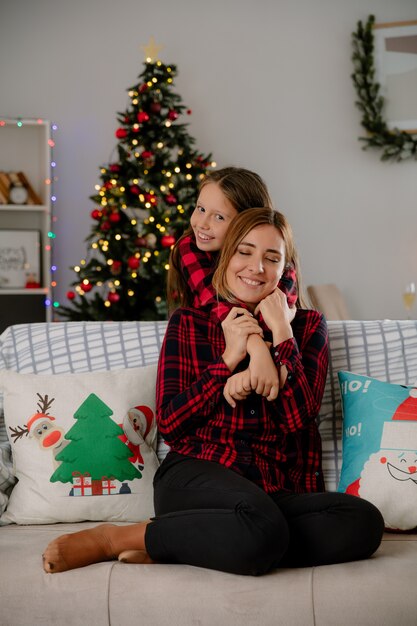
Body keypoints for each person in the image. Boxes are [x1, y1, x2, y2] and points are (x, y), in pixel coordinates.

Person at [42, 207, 384, 575]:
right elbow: (171, 424)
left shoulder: (307, 326)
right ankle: (118, 538)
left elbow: (298, 416)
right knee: (261, 530)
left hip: (272, 489)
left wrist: (283, 333)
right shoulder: (189, 323)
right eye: (245, 251)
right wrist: (225, 364)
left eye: (272, 258)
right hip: (196, 475)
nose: (256, 267)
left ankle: (190, 543)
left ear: (285, 270)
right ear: (226, 258)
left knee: (362, 521)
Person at [167, 166, 301, 401]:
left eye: (219, 217)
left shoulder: (280, 267)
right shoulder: (190, 247)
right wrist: (257, 348)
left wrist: (256, 363)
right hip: (212, 350)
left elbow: (275, 313)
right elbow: (217, 304)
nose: (202, 223)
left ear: (247, 223)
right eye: (200, 209)